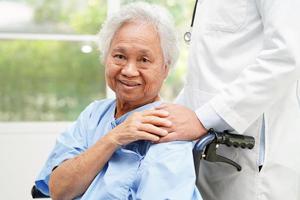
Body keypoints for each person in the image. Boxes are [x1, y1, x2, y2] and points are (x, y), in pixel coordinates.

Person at [34, 2, 202, 200]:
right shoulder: (93, 115)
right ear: (106, 58)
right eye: (120, 56)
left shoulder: (168, 128)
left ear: (165, 68)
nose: (129, 71)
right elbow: (59, 190)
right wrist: (114, 138)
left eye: (144, 60)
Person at [155, 0, 300, 200]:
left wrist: (202, 119)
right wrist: (166, 118)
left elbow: (285, 56)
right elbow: (206, 75)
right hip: (207, 156)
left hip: (249, 167)